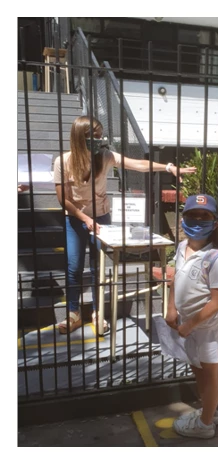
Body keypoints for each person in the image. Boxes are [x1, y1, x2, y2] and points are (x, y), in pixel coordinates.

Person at [54, 115, 196, 334]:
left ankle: (97, 312)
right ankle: (73, 314)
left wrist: (168, 167)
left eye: (100, 136)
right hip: (74, 218)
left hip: (101, 218)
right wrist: (85, 218)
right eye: (93, 136)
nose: (98, 141)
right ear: (79, 137)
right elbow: (63, 198)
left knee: (97, 267)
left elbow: (137, 164)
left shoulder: (105, 156)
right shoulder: (63, 162)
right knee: (74, 267)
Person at [165, 194, 218, 439]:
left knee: (210, 374)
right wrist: (171, 308)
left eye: (203, 217)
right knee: (198, 369)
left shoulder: (214, 259)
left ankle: (205, 424)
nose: (196, 221)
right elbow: (175, 278)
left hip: (205, 329)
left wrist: (190, 324)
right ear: (182, 219)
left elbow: (217, 302)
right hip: (187, 325)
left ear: (214, 223)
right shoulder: (182, 247)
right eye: (191, 215)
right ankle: (208, 410)